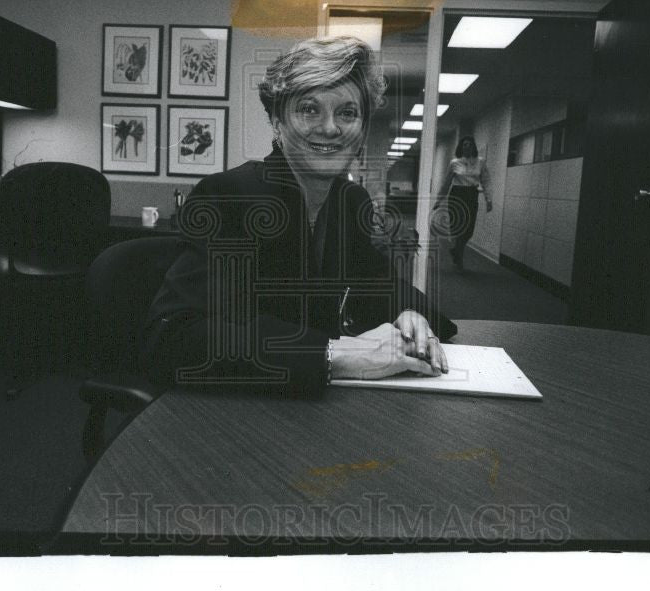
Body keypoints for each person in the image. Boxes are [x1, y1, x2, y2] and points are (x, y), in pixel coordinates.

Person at [143, 36, 457, 396]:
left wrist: (409, 317)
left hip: (315, 412)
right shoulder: (230, 196)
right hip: (236, 411)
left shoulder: (349, 201)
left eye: (348, 113)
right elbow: (173, 337)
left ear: (362, 128)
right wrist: (332, 354)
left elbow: (380, 286)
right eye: (309, 109)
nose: (329, 128)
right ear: (277, 121)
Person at [436, 135, 492, 270]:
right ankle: (459, 257)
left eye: (469, 144)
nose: (466, 146)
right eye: (464, 144)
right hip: (457, 195)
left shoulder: (481, 162)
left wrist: (488, 199)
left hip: (471, 195)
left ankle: (456, 250)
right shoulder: (454, 163)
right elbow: (447, 182)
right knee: (457, 226)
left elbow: (486, 181)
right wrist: (439, 199)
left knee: (469, 230)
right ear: (461, 147)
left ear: (473, 147)